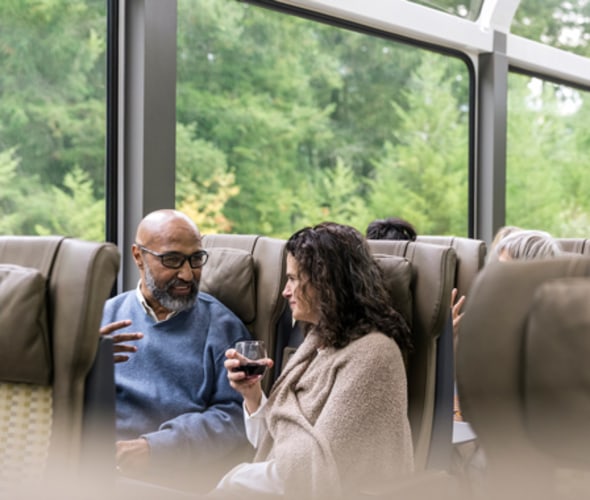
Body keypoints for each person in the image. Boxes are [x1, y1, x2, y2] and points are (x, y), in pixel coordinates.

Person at [216, 222, 414, 499]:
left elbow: (315, 470)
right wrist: (252, 395)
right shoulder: (316, 343)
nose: (285, 291)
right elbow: (277, 445)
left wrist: (235, 479)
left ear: (326, 283)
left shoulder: (374, 354)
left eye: (294, 279)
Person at [100, 209, 252, 492]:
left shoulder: (223, 327)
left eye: (196, 259)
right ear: (138, 256)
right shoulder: (104, 317)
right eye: (172, 260)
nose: (187, 274)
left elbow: (237, 417)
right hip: (98, 467)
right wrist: (87, 364)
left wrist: (155, 449)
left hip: (173, 479)